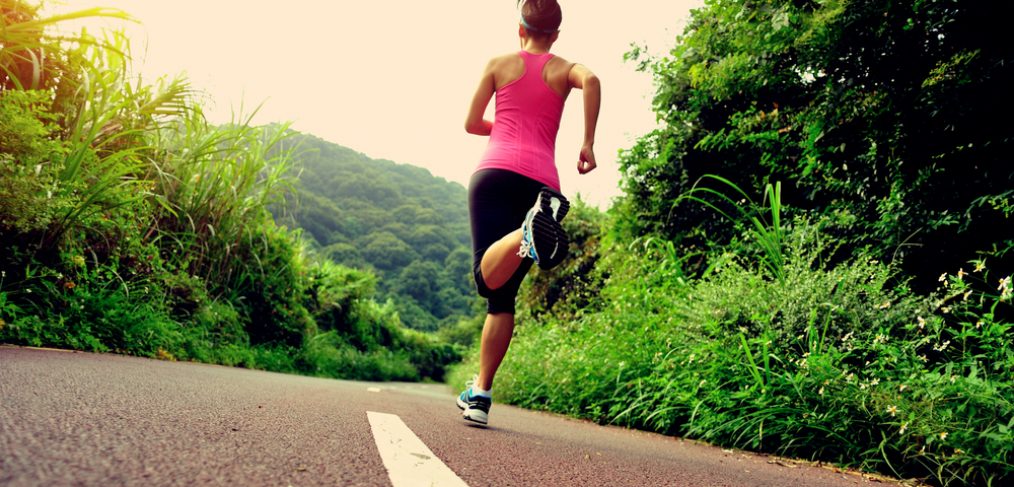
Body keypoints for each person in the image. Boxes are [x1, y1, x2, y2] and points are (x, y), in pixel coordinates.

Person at [456, 0, 601, 425]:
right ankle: (480, 394)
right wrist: (588, 142)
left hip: (494, 174)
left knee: (487, 281)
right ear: (555, 34)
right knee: (503, 298)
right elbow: (591, 78)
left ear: (519, 29)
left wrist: (501, 129)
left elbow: (470, 122)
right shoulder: (564, 69)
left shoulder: (499, 63)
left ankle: (525, 232)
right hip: (541, 184)